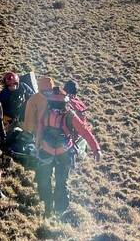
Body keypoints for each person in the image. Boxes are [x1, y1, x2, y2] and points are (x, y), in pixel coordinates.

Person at [35, 86, 101, 218]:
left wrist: (96, 149)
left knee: (57, 182)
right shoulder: (50, 113)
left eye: (57, 103)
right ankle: (49, 207)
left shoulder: (68, 115)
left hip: (57, 153)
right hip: (53, 152)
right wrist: (38, 143)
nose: (55, 106)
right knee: (47, 180)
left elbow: (84, 131)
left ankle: (57, 209)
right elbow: (40, 127)